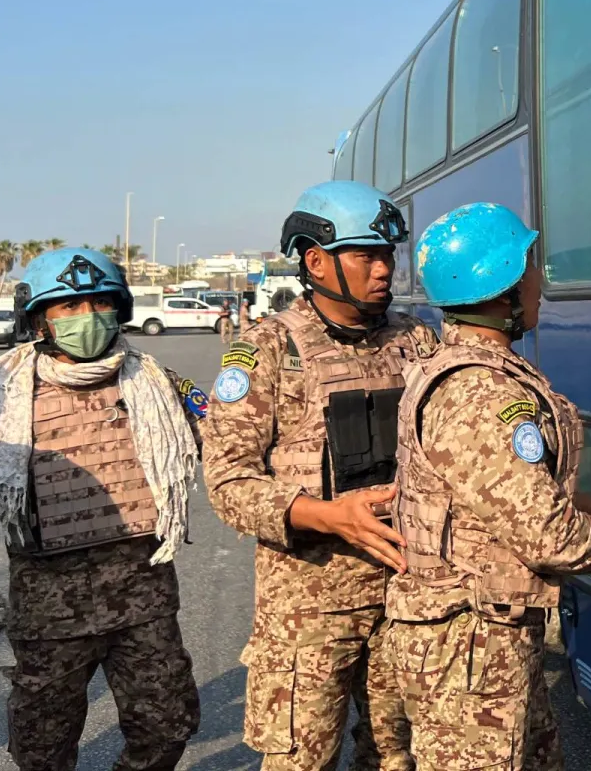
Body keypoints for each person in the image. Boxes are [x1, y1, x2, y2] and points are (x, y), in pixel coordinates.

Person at [381, 202, 591, 771]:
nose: (536, 284)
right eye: (527, 269)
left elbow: (516, 499)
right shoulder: (481, 395)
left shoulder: (481, 372)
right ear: (499, 286)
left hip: (486, 636)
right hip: (469, 650)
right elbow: (549, 536)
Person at [202, 181, 439, 771]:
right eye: (366, 255)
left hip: (405, 590)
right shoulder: (265, 351)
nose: (384, 269)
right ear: (315, 261)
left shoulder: (416, 339)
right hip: (308, 608)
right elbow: (229, 482)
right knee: (301, 760)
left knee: (396, 754)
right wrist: (327, 515)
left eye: (388, 255)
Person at [0, 248, 203, 770]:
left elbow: (233, 447)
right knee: (42, 749)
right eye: (67, 308)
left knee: (167, 728)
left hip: (143, 602)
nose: (85, 317)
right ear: (39, 320)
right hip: (50, 612)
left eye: (97, 303)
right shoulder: (8, 399)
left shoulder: (158, 385)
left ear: (120, 308)